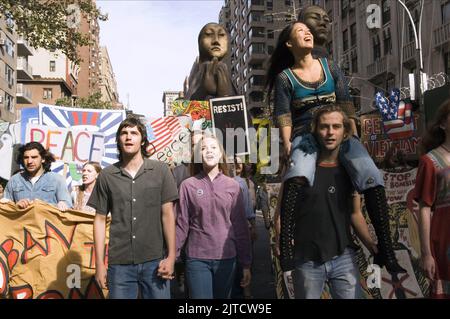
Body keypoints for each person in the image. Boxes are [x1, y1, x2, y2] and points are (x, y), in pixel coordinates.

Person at [266, 21, 405, 274]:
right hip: (305, 134)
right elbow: (284, 114)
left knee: (371, 176)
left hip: (338, 129)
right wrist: (287, 144)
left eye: (308, 30)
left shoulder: (330, 67)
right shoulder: (284, 78)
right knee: (297, 175)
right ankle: (286, 245)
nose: (307, 32)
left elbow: (345, 100)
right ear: (289, 44)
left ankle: (386, 249)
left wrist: (351, 127)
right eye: (300, 31)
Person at [281, 105, 377, 299]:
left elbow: (355, 214)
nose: (330, 132)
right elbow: (282, 214)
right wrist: (285, 249)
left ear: (345, 131)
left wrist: (373, 247)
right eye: (324, 126)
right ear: (315, 129)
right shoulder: (300, 169)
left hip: (343, 257)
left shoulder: (349, 170)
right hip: (306, 259)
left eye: (336, 126)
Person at [88, 117, 179, 299]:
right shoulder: (106, 175)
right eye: (124, 133)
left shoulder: (161, 171)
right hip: (119, 263)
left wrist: (171, 257)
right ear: (118, 140)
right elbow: (99, 220)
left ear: (142, 140)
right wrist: (99, 264)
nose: (128, 137)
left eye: (134, 133)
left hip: (155, 261)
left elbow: (168, 215)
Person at [176, 135, 252, 299]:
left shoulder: (233, 186)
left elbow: (240, 227)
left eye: (213, 147)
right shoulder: (187, 186)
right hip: (197, 258)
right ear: (198, 155)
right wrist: (171, 257)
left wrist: (246, 264)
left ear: (221, 154)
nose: (208, 151)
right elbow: (181, 225)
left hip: (227, 257)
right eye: (203, 148)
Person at [414, 100, 450, 299]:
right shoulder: (431, 161)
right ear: (443, 124)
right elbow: (425, 208)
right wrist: (426, 253)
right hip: (444, 242)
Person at [3, 142, 71, 210]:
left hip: (46, 220)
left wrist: (62, 204)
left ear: (43, 159)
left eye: (34, 157)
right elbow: (4, 208)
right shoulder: (14, 180)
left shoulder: (57, 179)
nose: (29, 161)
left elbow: (68, 206)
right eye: (26, 157)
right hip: (21, 220)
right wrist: (15, 206)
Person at [185, 22, 236, 100]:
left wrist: (225, 96)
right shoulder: (199, 73)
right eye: (209, 34)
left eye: (221, 35)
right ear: (199, 42)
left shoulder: (223, 69)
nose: (216, 40)